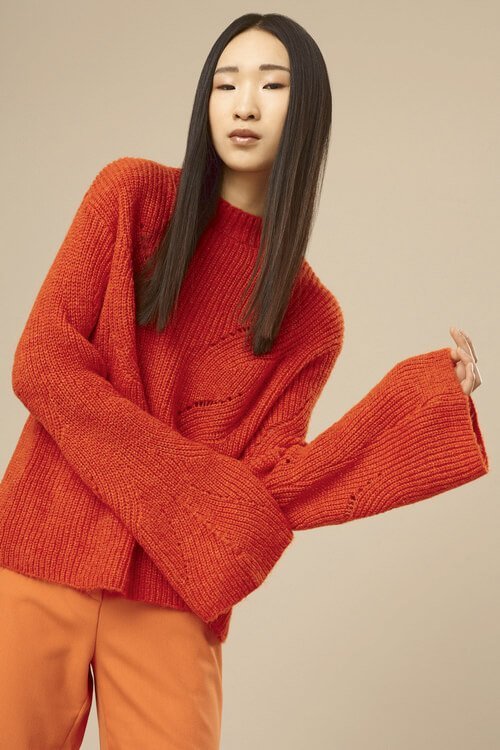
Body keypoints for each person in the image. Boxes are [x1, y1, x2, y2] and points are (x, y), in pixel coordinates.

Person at [0, 13, 488, 750]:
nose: (246, 104)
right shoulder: (130, 196)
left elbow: (270, 488)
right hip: (37, 559)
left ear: (307, 111)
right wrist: (192, 498)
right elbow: (41, 361)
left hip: (171, 603)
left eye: (272, 84)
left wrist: (422, 406)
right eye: (225, 84)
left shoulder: (311, 318)